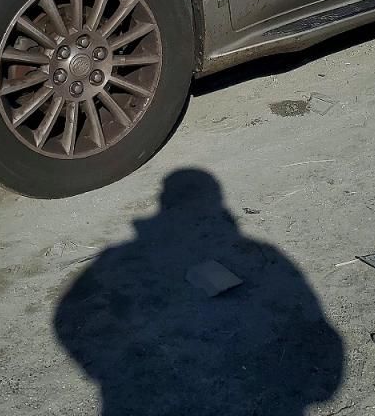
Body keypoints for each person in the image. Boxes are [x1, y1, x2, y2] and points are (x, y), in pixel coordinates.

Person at [54, 169, 344, 416]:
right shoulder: (264, 252)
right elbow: (320, 336)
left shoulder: (114, 260)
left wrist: (105, 375)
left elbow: (67, 317)